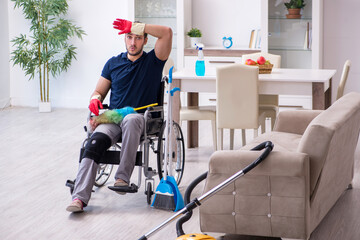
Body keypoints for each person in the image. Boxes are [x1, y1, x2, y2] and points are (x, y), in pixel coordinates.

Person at [66, 19, 172, 213]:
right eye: (129, 37)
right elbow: (98, 91)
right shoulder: (113, 63)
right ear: (124, 38)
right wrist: (95, 99)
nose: (133, 42)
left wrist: (136, 25)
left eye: (138, 38)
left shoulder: (153, 61)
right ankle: (79, 198)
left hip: (140, 118)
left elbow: (166, 32)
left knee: (131, 120)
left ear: (145, 40)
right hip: (113, 118)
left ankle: (122, 178)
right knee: (95, 141)